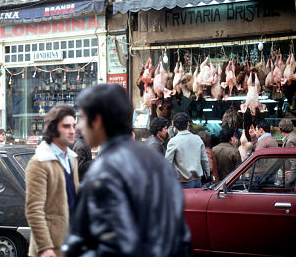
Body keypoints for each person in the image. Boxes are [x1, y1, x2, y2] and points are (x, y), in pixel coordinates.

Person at [63, 84, 190, 257]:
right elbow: (180, 234)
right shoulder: (157, 162)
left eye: (83, 117)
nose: (79, 126)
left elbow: (102, 246)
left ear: (98, 121)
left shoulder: (104, 171)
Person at [25, 104, 79, 257]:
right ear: (53, 128)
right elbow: (34, 209)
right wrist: (44, 247)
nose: (72, 131)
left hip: (72, 242)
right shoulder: (39, 162)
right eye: (66, 126)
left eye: (74, 126)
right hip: (51, 248)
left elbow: (74, 199)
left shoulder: (71, 158)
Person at [165, 112, 210, 189]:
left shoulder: (173, 141)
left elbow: (167, 163)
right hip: (197, 181)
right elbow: (204, 160)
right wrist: (208, 174)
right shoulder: (197, 139)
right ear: (188, 123)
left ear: (174, 126)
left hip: (182, 183)